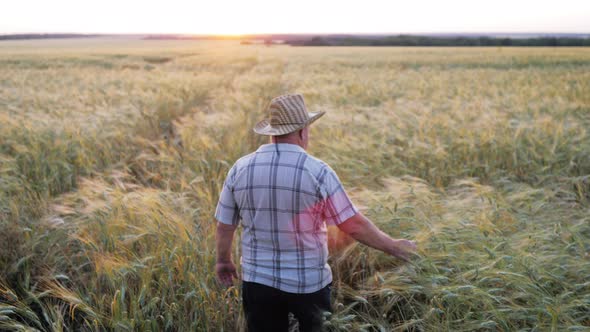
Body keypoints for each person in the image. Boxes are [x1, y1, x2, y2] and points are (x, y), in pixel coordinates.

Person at [215, 93, 417, 332]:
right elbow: (352, 224)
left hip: (258, 282)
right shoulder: (318, 171)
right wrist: (393, 246)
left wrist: (223, 261)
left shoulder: (240, 168)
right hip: (308, 283)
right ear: (303, 131)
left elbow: (225, 224)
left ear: (272, 131)